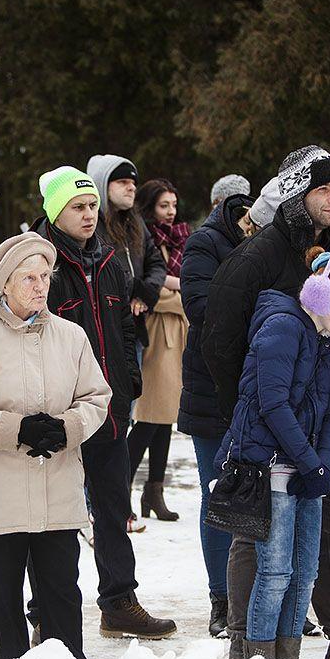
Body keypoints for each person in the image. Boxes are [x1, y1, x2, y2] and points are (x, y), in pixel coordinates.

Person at [200, 146, 330, 659]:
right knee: (255, 540)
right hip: (262, 426)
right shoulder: (258, 257)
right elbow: (219, 339)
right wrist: (253, 409)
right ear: (297, 194)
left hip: (322, 423)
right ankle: (246, 648)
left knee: (324, 534)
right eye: (322, 189)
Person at [0, 232, 111, 659]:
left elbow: (97, 398)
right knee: (6, 594)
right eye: (29, 278)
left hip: (59, 488)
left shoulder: (71, 337)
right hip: (1, 493)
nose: (41, 286)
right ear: (5, 283)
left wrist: (67, 428)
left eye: (45, 277)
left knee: (62, 589)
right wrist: (15, 429)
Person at [30, 165, 177, 638]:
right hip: (58, 417)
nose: (89, 214)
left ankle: (119, 602)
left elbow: (126, 327)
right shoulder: (39, 264)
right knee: (55, 520)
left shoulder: (111, 260)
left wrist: (129, 383)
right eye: (78, 206)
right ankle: (46, 614)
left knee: (113, 511)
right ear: (56, 211)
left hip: (109, 410)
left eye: (92, 204)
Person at [179, 190, 255, 637]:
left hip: (256, 384)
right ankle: (221, 599)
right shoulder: (205, 243)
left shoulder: (271, 243)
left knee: (264, 497)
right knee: (218, 494)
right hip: (210, 387)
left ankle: (260, 597)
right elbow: (199, 307)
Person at [87, 153, 166, 532]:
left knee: (124, 417)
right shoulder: (92, 225)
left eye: (133, 182)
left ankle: (116, 506)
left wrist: (147, 292)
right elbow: (100, 269)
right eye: (122, 182)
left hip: (132, 331)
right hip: (98, 333)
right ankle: (94, 506)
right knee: (96, 419)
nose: (132, 188)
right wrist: (129, 290)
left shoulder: (136, 224)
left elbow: (156, 263)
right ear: (104, 185)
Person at [128, 178, 190, 523]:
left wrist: (177, 293)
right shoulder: (144, 239)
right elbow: (153, 292)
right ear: (150, 206)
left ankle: (154, 491)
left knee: (165, 417)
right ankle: (120, 487)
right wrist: (180, 296)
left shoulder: (179, 238)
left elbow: (185, 287)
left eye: (174, 205)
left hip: (175, 336)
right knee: (150, 417)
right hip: (155, 336)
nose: (170, 212)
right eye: (164, 205)